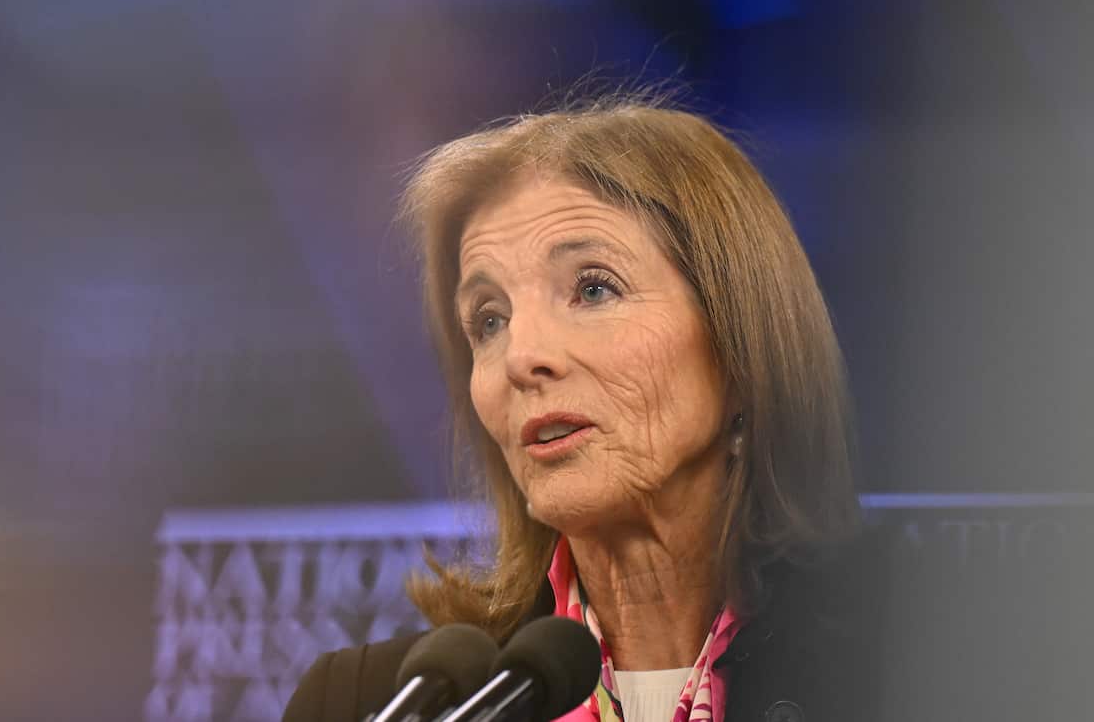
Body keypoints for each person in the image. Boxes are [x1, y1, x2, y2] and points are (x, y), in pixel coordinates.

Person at [286, 97, 886, 722]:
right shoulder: (366, 703)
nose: (521, 357)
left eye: (593, 289)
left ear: (741, 349)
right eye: (489, 321)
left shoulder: (924, 670)